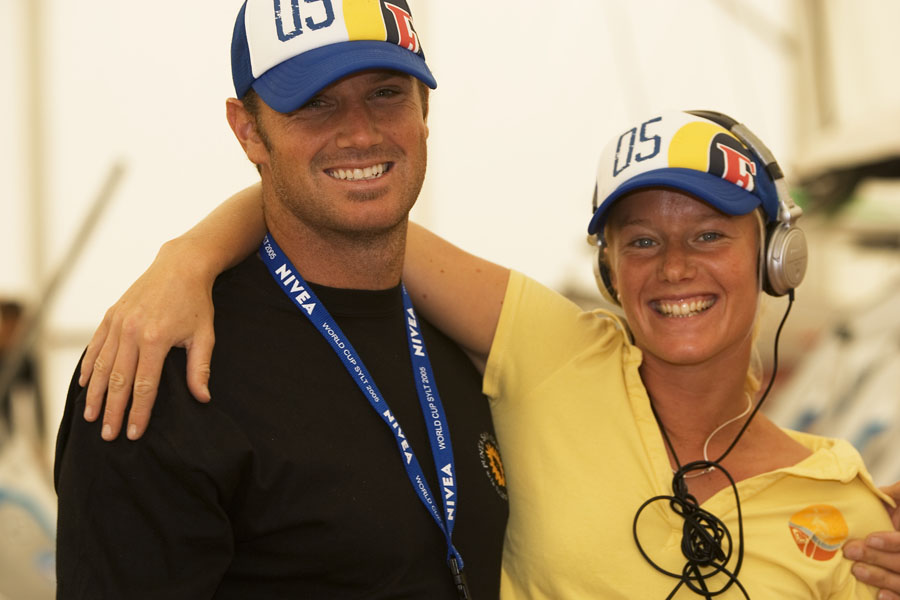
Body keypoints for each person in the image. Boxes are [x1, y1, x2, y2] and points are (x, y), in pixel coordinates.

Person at [75, 106, 900, 597]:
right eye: (642, 241)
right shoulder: (553, 351)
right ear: (609, 271)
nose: (675, 268)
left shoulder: (849, 505)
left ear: (776, 256)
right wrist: (186, 260)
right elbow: (343, 209)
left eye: (711, 235)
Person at [54, 1, 509, 597]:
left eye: (386, 94)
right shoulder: (159, 369)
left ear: (425, 110)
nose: (360, 133)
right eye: (315, 102)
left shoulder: (470, 339)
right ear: (248, 131)